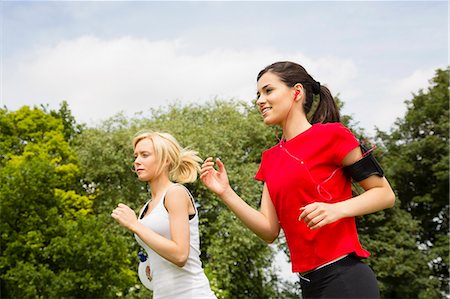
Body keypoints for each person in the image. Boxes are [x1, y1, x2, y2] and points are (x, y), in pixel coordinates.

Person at [200, 61, 395, 298]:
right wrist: (225, 192)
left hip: (345, 278)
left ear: (297, 92)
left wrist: (336, 210)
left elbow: (384, 194)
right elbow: (269, 230)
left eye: (268, 91)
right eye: (258, 94)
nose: (260, 100)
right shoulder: (270, 159)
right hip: (308, 285)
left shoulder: (333, 135)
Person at [112, 131, 216, 299]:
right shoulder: (146, 208)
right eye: (136, 156)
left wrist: (135, 225)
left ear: (166, 159)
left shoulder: (175, 193)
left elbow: (180, 255)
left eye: (145, 155)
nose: (137, 161)